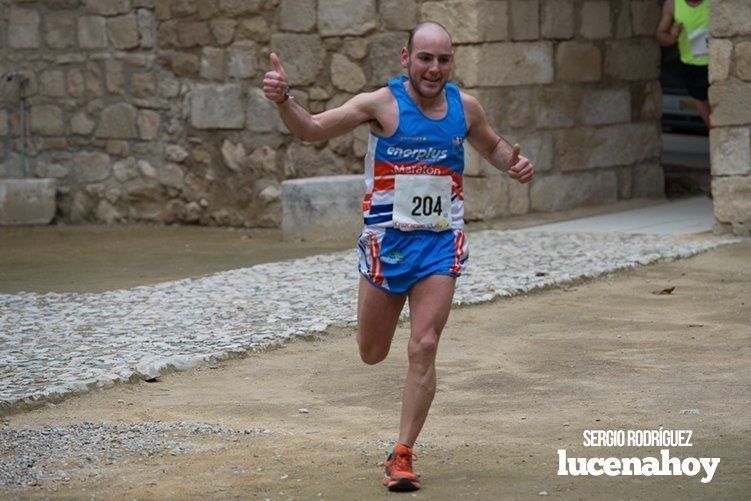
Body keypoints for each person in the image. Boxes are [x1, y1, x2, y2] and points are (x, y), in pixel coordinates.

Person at [263, 21, 533, 492]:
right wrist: (285, 100)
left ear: (452, 62)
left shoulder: (466, 109)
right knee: (372, 353)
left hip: (439, 243)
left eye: (443, 59)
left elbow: (491, 145)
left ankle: (402, 453)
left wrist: (513, 162)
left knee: (424, 344)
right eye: (425, 58)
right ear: (406, 58)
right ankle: (396, 426)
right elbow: (311, 130)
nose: (434, 68)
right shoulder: (380, 105)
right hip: (386, 247)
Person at [656, 0, 711, 126]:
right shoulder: (673, 4)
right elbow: (660, 35)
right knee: (712, 123)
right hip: (692, 67)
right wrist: (672, 36)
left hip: (718, 64)